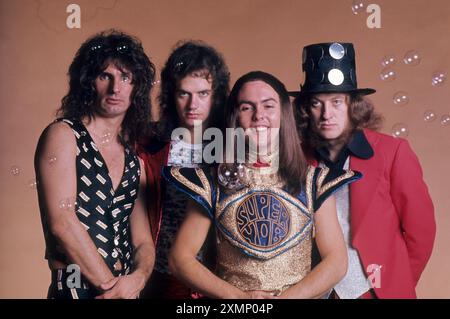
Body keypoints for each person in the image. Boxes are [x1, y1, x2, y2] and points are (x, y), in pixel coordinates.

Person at [165, 71, 362, 298]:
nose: (259, 115)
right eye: (247, 107)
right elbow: (180, 259)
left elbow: (336, 262)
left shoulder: (314, 181)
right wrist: (240, 299)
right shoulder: (211, 182)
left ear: (284, 115)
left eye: (268, 106)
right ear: (235, 117)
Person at [293, 42, 436, 298]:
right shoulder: (296, 159)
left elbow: (421, 233)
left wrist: (395, 284)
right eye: (317, 103)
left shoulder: (393, 152)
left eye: (337, 102)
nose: (327, 114)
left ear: (353, 106)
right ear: (306, 110)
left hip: (374, 291)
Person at [35, 30, 156, 299]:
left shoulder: (134, 160)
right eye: (106, 76)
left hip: (124, 291)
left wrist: (137, 279)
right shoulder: (64, 135)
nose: (116, 88)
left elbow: (142, 241)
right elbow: (62, 222)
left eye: (125, 78)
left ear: (137, 87)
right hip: (76, 288)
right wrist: (112, 287)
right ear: (89, 81)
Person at [137, 41, 230, 298]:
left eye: (203, 93)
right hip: (160, 276)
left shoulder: (231, 147)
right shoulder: (149, 145)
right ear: (171, 95)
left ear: (217, 95)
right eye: (183, 93)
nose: (192, 104)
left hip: (217, 279)